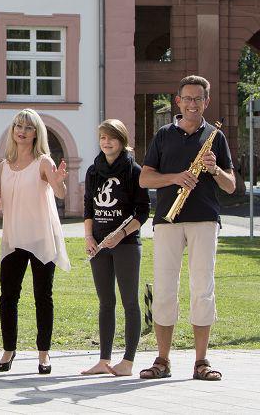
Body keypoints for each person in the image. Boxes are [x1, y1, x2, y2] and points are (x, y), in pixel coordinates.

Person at [138, 75, 235, 381]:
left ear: (206, 102)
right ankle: (162, 360)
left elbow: (231, 186)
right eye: (187, 99)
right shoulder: (163, 135)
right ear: (177, 102)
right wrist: (176, 177)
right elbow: (145, 179)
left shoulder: (216, 137)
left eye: (199, 99)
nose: (193, 104)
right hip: (168, 220)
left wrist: (214, 168)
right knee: (164, 290)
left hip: (204, 219)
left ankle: (201, 361)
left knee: (202, 289)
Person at [0, 108, 70, 374]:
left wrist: (58, 182)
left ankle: (44, 354)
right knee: (8, 297)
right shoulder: (3, 167)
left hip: (40, 237)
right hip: (13, 238)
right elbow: (1, 203)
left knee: (42, 297)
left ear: (36, 133)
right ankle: (8, 350)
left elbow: (59, 192)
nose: (21, 131)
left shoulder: (43, 161)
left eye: (28, 127)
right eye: (18, 126)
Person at [81, 119, 149, 377]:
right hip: (98, 244)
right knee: (105, 301)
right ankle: (103, 360)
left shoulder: (134, 171)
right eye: (102, 137)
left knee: (130, 301)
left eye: (111, 137)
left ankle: (128, 362)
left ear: (122, 140)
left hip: (126, 244)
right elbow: (89, 206)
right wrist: (89, 236)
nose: (106, 142)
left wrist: (120, 234)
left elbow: (143, 212)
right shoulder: (93, 171)